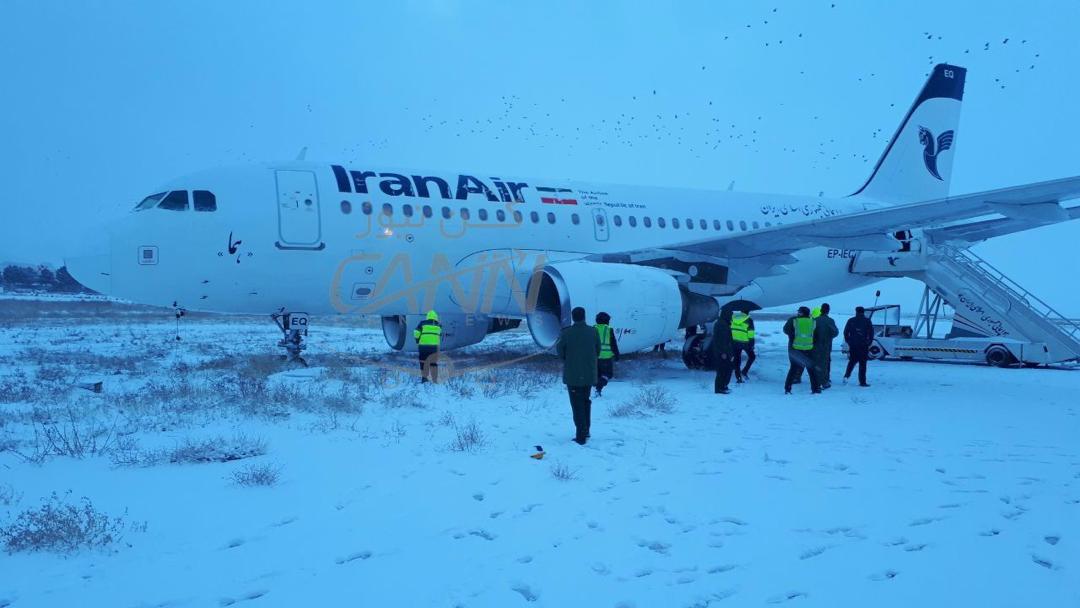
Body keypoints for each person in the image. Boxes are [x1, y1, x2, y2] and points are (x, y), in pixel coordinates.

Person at [556, 306, 601, 445]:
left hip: (573, 375)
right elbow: (597, 351)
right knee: (586, 402)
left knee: (577, 405)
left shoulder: (567, 333)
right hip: (588, 374)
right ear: (584, 316)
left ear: (573, 317)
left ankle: (580, 435)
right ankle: (586, 430)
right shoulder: (593, 332)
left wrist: (569, 360)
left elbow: (560, 351)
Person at [783, 306, 821, 394]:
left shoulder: (794, 320)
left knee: (793, 369)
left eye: (799, 312)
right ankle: (815, 389)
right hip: (808, 348)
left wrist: (793, 336)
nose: (797, 313)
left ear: (802, 313)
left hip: (796, 348)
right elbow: (816, 335)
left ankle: (787, 389)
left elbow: (786, 330)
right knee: (811, 369)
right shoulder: (813, 321)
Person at [843, 306, 874, 387]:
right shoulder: (867, 321)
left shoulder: (851, 320)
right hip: (863, 345)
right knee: (863, 364)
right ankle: (862, 382)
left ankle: (846, 376)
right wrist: (869, 342)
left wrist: (849, 341)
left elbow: (845, 332)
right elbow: (871, 333)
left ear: (856, 311)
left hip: (853, 345)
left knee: (852, 362)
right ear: (863, 312)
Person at [813, 303, 839, 389]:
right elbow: (835, 332)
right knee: (825, 362)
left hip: (815, 345)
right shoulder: (830, 321)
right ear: (828, 311)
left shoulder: (815, 320)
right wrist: (828, 337)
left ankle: (816, 379)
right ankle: (824, 381)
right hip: (826, 345)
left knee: (817, 362)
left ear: (821, 310)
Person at [594, 312, 620, 396]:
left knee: (598, 374)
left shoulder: (593, 328)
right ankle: (598, 387)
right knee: (608, 374)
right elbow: (613, 343)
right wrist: (617, 354)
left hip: (595, 357)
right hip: (606, 357)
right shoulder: (609, 329)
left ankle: (597, 389)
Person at [413, 310, 442, 383]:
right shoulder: (439, 325)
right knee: (433, 363)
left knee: (423, 362)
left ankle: (424, 378)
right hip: (433, 348)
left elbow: (416, 333)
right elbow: (439, 335)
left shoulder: (422, 323)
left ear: (428, 316)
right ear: (436, 317)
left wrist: (417, 340)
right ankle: (434, 379)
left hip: (423, 347)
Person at [712, 310, 735, 394]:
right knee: (722, 370)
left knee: (726, 370)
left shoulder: (724, 323)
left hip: (725, 351)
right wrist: (723, 352)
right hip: (722, 352)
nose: (731, 317)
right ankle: (719, 388)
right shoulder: (721, 325)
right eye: (730, 315)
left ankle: (723, 386)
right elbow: (721, 341)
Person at [730, 311, 757, 382]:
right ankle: (744, 371)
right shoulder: (749, 320)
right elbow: (751, 335)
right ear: (747, 312)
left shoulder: (733, 318)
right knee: (752, 356)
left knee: (737, 359)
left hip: (735, 342)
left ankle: (738, 377)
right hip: (745, 343)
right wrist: (752, 345)